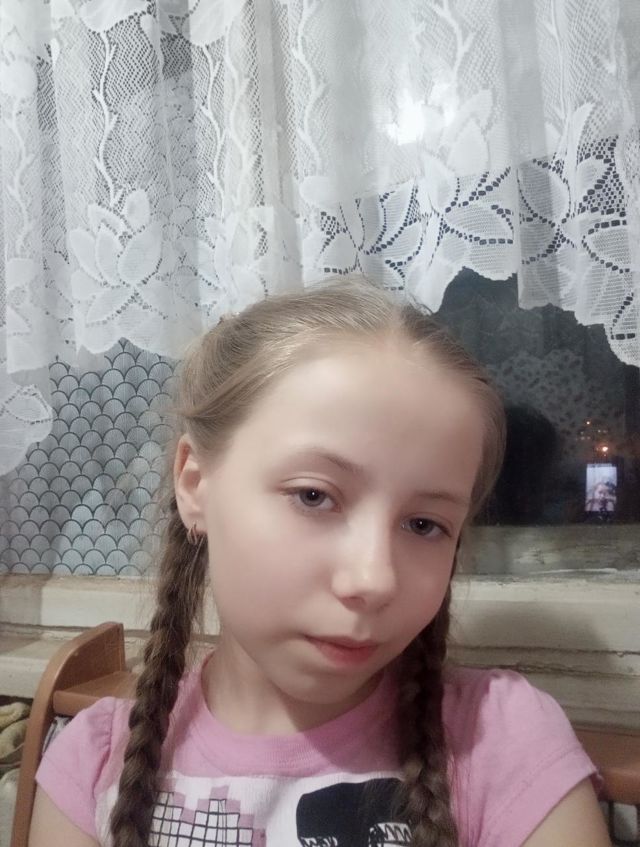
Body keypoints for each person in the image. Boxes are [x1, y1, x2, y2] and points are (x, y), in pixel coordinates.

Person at [29, 279, 611, 847]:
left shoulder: (502, 741)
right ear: (196, 484)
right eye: (314, 496)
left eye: (424, 525)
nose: (374, 580)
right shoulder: (93, 764)